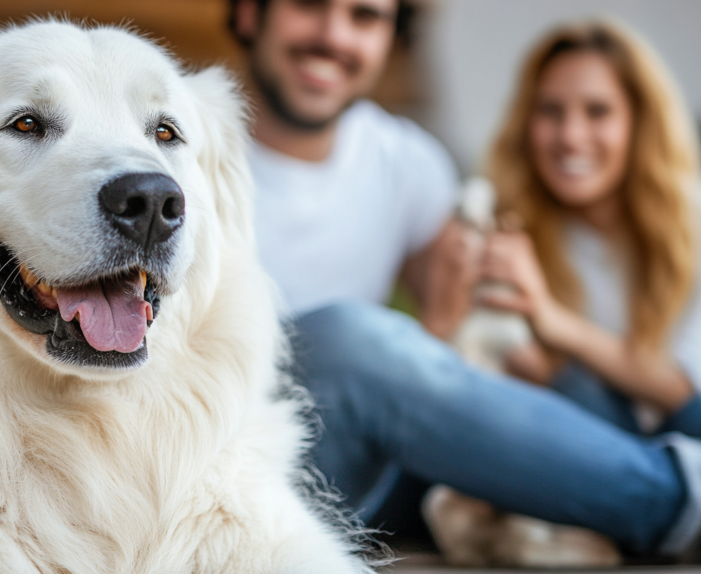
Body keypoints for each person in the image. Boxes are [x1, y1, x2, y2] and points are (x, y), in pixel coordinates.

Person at [229, 0, 701, 558]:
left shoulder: (409, 165)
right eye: (308, 4)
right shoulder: (178, 143)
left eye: (364, 16)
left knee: (575, 389)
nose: (334, 35)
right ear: (248, 14)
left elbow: (439, 368)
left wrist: (498, 330)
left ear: (391, 37)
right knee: (345, 337)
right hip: (233, 463)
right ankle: (671, 498)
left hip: (359, 478)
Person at [482, 21, 701, 440]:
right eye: (550, 111)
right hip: (573, 449)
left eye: (597, 111)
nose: (570, 136)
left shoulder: (693, 223)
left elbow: (686, 395)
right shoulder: (507, 229)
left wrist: (551, 321)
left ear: (640, 122)